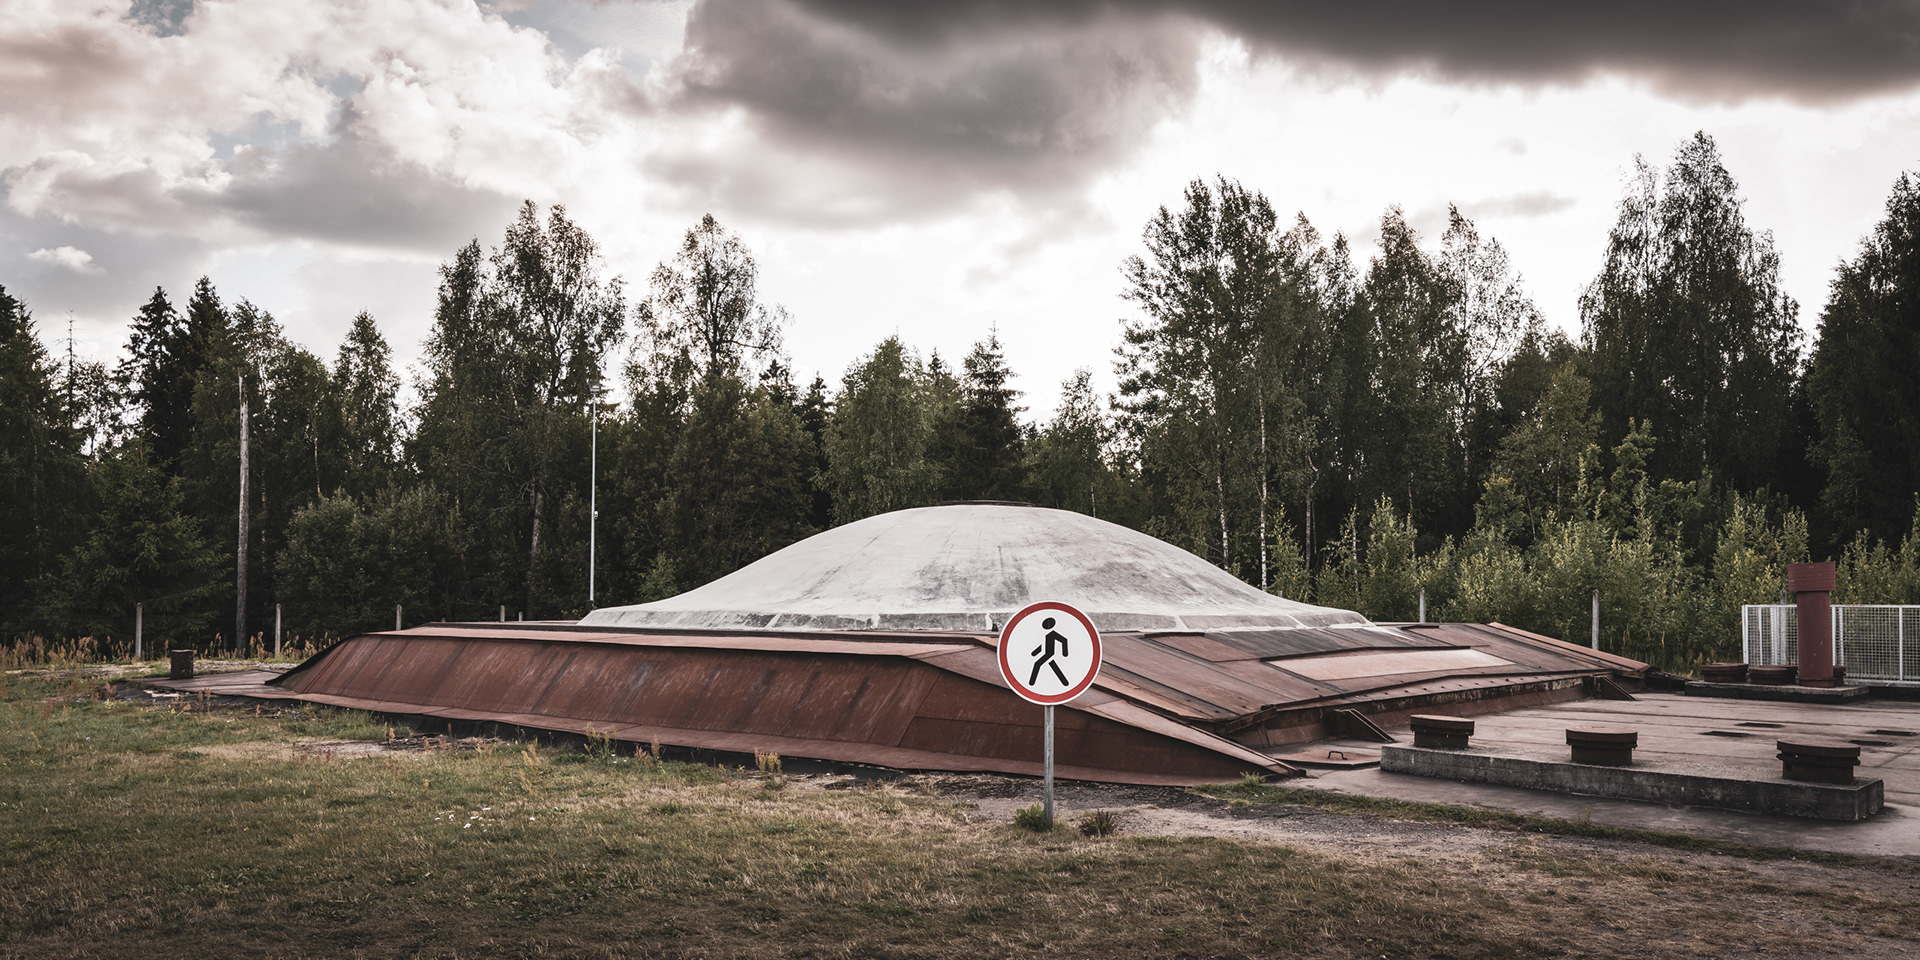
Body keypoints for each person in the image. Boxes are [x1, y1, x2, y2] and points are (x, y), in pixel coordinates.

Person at [1029, 616, 1070, 687]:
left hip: (1050, 654)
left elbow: (1064, 640)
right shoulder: (1045, 635)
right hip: (1047, 654)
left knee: (1037, 664)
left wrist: (1065, 653)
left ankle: (1031, 683)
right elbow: (1043, 645)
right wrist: (1034, 653)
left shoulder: (1053, 634)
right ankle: (1065, 683)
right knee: (1054, 667)